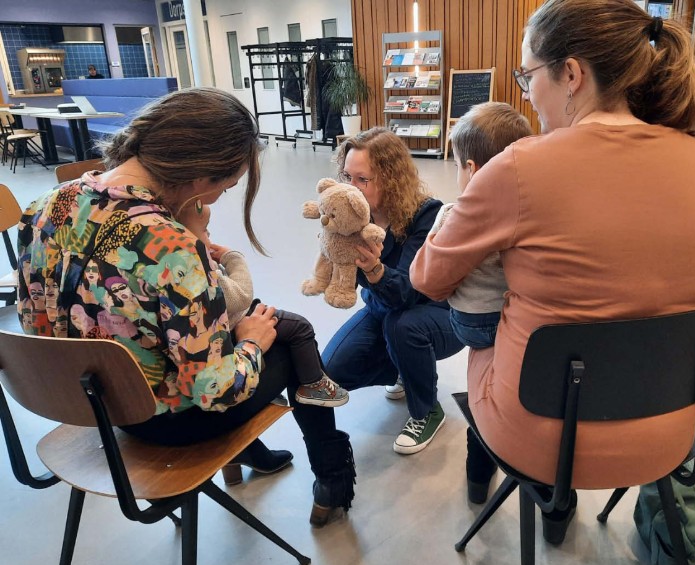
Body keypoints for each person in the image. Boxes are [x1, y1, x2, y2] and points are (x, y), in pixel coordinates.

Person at [411, 0, 695, 545]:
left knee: (479, 329)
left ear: (571, 74)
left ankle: (521, 488)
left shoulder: (518, 166)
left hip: (541, 436)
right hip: (670, 432)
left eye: (528, 75)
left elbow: (427, 279)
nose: (525, 92)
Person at [16, 87, 355, 527]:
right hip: (159, 420)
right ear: (200, 177)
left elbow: (32, 320)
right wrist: (251, 344)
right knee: (286, 338)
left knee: (244, 321)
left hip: (84, 403)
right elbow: (216, 391)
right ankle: (333, 481)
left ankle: (249, 459)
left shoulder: (46, 204)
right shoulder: (171, 246)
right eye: (225, 187)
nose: (215, 201)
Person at [322, 127, 464, 455]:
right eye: (347, 177)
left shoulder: (427, 214)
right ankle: (407, 367)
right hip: (383, 310)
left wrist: (373, 269)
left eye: (363, 179)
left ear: (389, 178)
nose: (351, 188)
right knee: (332, 372)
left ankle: (427, 409)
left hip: (438, 314)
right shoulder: (352, 218)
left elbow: (408, 294)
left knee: (403, 326)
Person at [177, 200, 349, 407]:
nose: (210, 237)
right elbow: (241, 296)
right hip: (235, 324)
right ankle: (313, 384)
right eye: (205, 231)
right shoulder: (203, 270)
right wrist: (233, 259)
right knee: (300, 328)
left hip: (223, 333)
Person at [432, 102, 533, 350]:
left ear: (472, 170)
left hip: (472, 323)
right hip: (521, 318)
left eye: (457, 166)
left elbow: (431, 277)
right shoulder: (529, 209)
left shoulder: (452, 214)